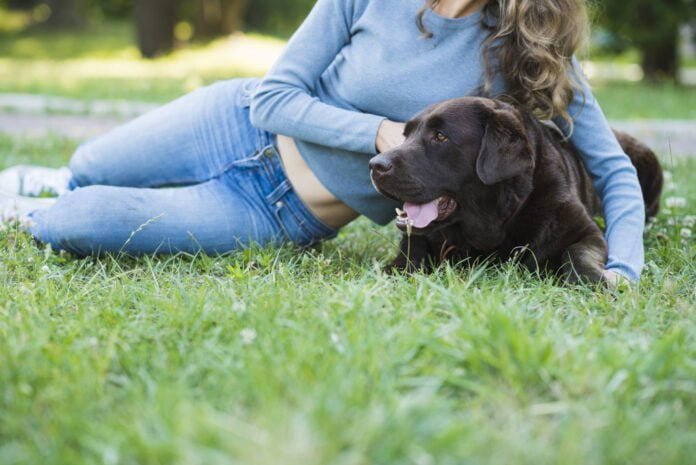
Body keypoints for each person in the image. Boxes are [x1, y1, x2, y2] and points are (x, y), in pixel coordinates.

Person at [0, 0, 645, 284]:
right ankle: (39, 177)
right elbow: (276, 96)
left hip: (276, 208)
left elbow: (614, 171)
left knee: (77, 223)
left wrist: (623, 267)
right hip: (237, 117)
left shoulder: (524, 52)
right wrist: (375, 132)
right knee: (86, 165)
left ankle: (39, 201)